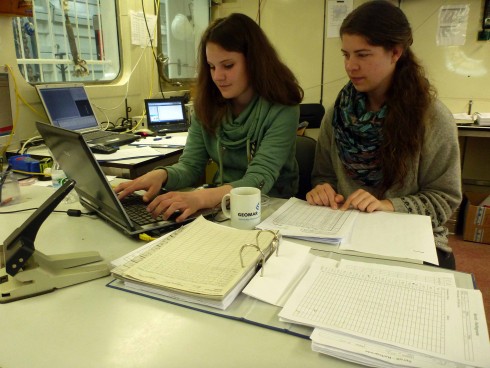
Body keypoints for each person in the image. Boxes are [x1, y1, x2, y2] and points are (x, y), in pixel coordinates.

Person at [306, 1, 461, 268]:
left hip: (411, 240)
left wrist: (388, 205)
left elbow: (444, 199)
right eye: (346, 54)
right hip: (345, 234)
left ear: (395, 53)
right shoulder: (338, 114)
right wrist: (324, 190)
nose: (350, 66)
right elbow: (324, 175)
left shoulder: (432, 118)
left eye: (363, 55)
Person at [116, 13, 303, 222]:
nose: (217, 77)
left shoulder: (283, 108)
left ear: (254, 62)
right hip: (219, 205)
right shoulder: (207, 104)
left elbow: (258, 179)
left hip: (270, 208)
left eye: (228, 65)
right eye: (212, 67)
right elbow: (190, 165)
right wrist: (162, 175)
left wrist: (201, 197)